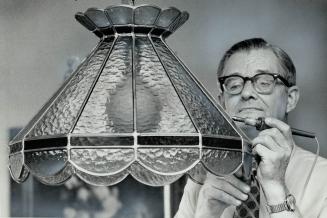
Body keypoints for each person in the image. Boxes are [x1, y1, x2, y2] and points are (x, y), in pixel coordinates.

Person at [174, 38, 327, 218]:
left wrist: (277, 191)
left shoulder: (323, 177)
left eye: (264, 82)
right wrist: (206, 212)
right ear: (222, 102)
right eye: (234, 84)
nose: (246, 93)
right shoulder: (202, 178)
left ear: (290, 99)